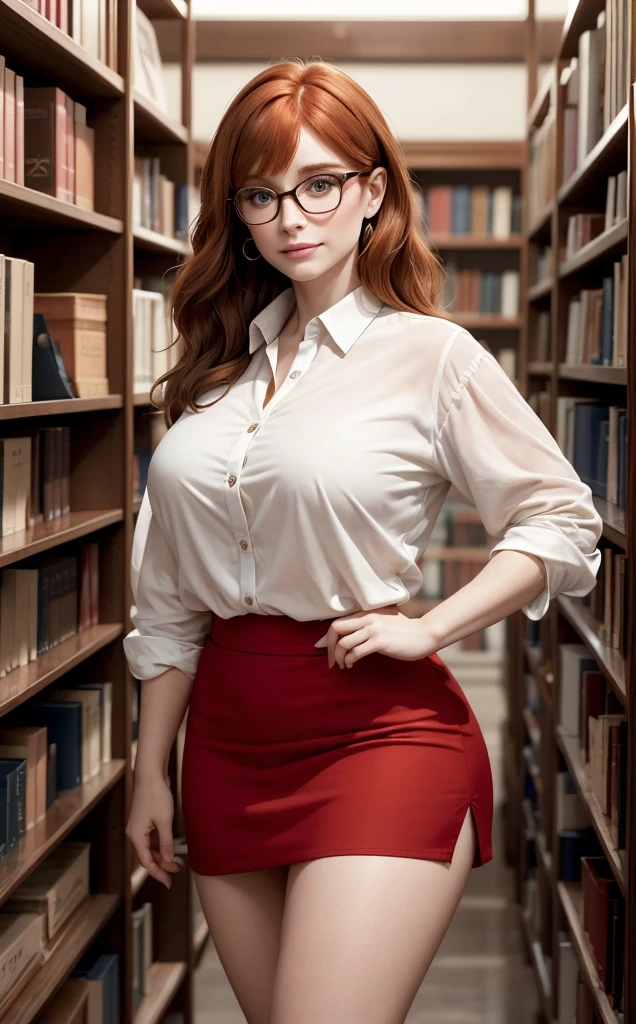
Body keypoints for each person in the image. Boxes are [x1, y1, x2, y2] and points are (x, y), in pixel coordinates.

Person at [123, 58, 601, 1024]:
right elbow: (169, 601)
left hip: (379, 733)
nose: (291, 216)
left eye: (319, 184)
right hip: (226, 740)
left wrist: (433, 628)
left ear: (373, 191)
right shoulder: (212, 379)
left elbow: (561, 519)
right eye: (261, 194)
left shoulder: (430, 355)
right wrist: (149, 773)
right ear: (238, 213)